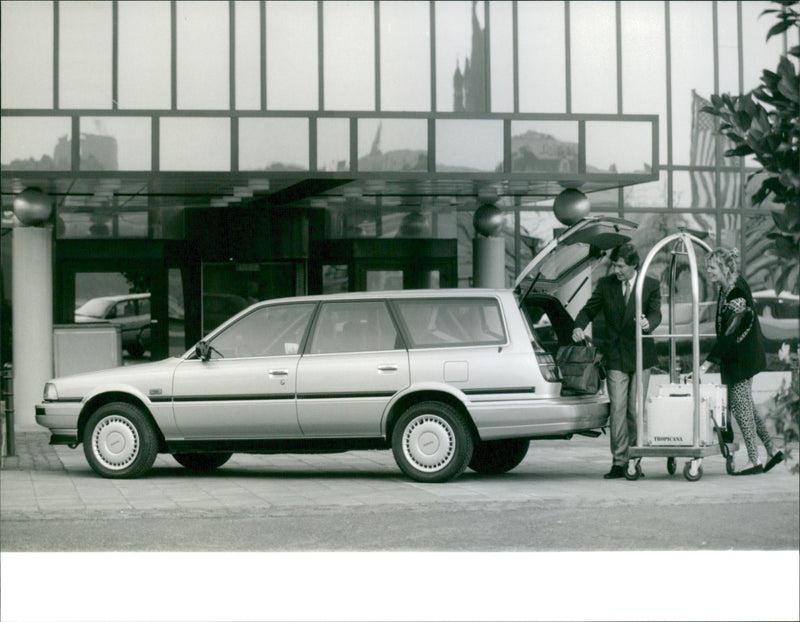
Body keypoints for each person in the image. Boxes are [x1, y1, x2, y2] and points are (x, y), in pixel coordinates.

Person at [572, 243, 662, 479]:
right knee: (618, 408)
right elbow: (587, 311)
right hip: (615, 355)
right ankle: (619, 462)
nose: (617, 270)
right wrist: (578, 327)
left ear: (634, 265)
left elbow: (656, 313)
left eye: (621, 266)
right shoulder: (605, 285)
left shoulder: (650, 284)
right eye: (614, 265)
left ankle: (635, 459)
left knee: (634, 408)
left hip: (641, 355)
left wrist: (648, 324)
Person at [698, 247, 783, 475]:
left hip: (742, 358)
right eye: (708, 267)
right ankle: (772, 450)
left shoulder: (735, 293)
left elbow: (730, 333)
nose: (709, 272)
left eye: (712, 267)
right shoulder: (728, 286)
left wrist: (707, 364)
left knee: (740, 406)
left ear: (725, 268)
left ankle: (754, 460)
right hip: (740, 357)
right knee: (745, 407)